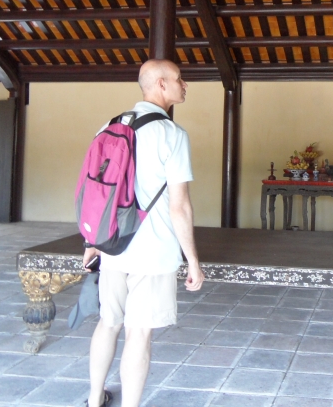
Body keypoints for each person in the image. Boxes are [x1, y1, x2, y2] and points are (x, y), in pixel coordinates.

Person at [83, 59, 205, 407]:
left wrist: (92, 241)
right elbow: (179, 206)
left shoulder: (109, 126)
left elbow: (96, 191)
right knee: (139, 333)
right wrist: (193, 261)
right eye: (180, 79)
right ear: (162, 84)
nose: (185, 85)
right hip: (153, 250)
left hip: (112, 245)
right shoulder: (172, 135)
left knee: (108, 322)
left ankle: (94, 399)